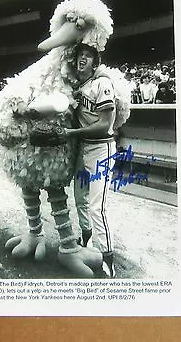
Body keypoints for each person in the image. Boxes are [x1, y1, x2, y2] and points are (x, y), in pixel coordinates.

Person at [65, 43, 117, 278]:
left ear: (95, 62)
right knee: (80, 200)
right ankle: (86, 239)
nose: (82, 59)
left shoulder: (102, 83)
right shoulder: (78, 87)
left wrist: (71, 134)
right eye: (79, 56)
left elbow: (105, 124)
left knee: (98, 207)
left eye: (88, 56)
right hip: (83, 149)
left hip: (102, 150)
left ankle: (108, 259)